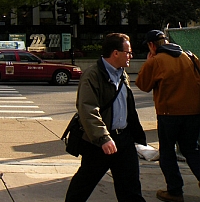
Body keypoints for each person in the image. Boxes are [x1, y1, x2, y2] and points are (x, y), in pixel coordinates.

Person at [65, 33, 146, 202]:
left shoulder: (123, 74)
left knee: (131, 190)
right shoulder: (93, 75)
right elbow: (88, 109)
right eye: (128, 52)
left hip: (124, 139)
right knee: (82, 186)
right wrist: (103, 138)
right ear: (115, 53)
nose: (131, 56)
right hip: (100, 143)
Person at [135, 30, 200, 202]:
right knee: (191, 149)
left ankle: (175, 190)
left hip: (169, 114)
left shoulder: (156, 61)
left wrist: (148, 63)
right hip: (193, 112)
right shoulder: (189, 56)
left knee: (167, 152)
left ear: (151, 45)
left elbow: (142, 85)